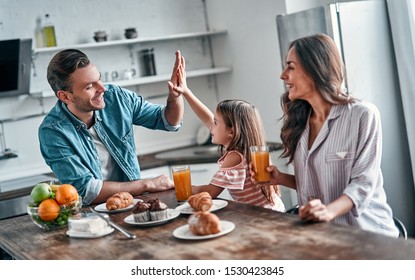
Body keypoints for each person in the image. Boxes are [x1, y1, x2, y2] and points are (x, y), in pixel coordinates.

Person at [253, 33, 398, 237]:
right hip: (323, 237)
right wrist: (280, 178)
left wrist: (328, 211)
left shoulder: (362, 114)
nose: (283, 75)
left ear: (314, 69)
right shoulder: (300, 122)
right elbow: (320, 185)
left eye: (291, 66)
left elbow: (363, 184)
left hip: (368, 236)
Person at [38, 49, 184, 205]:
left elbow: (168, 121)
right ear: (65, 96)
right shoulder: (52, 131)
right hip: (93, 217)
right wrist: (147, 184)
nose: (102, 89)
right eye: (89, 87)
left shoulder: (117, 97)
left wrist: (175, 97)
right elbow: (86, 190)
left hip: (133, 204)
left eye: (99, 79)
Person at [171, 52, 285, 212]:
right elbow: (208, 118)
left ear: (231, 131)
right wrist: (186, 92)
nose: (211, 126)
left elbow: (211, 192)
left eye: (216, 123)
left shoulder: (234, 157)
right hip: (276, 212)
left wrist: (182, 188)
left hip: (265, 218)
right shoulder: (245, 151)